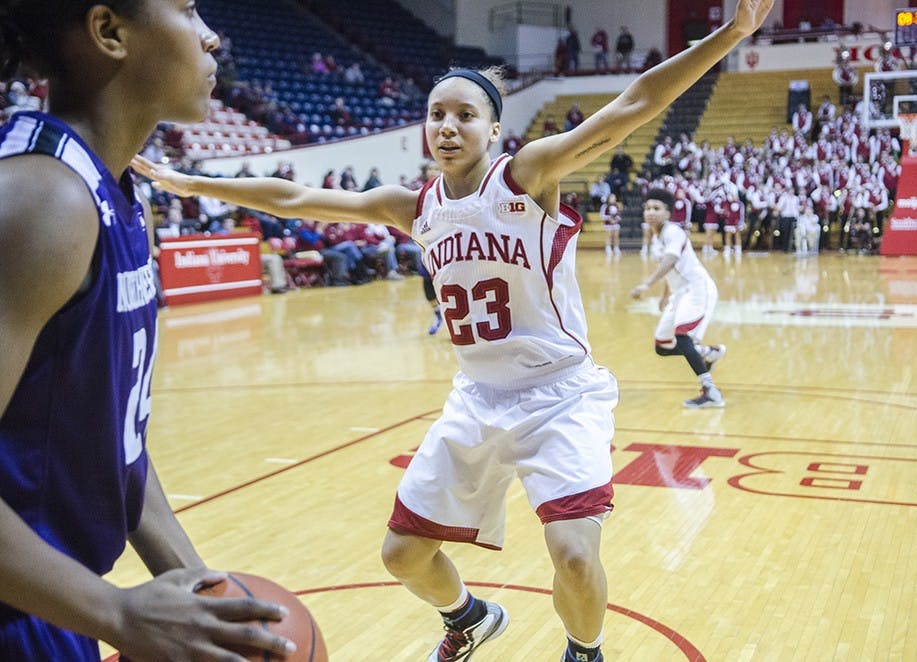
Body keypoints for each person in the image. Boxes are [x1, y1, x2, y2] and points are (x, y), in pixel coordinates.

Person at [132, 4, 775, 659]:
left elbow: (634, 103)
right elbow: (295, 200)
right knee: (402, 554)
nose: (447, 125)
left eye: (465, 115)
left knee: (574, 556)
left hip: (560, 396)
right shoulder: (413, 207)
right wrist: (187, 180)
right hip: (476, 398)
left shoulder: (527, 176)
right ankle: (467, 617)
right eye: (437, 113)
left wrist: (729, 35)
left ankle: (586, 651)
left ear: (494, 129)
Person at [0, 2, 297, 660]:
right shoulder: (43, 199)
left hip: (51, 602)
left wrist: (210, 596)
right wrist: (116, 612)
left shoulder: (120, 191)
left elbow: (113, 441)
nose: (212, 34)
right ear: (110, 32)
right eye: (188, 10)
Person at [629, 189, 726, 408]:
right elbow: (670, 270)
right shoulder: (656, 239)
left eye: (656, 208)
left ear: (668, 213)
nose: (651, 212)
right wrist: (665, 295)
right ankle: (707, 353)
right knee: (662, 346)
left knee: (683, 337)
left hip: (698, 289)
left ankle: (711, 392)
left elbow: (671, 260)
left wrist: (647, 284)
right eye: (647, 208)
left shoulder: (674, 232)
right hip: (680, 294)